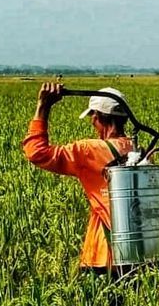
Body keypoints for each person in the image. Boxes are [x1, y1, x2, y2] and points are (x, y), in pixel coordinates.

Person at [22, 82, 133, 275]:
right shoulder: (137, 149)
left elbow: (36, 153)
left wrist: (43, 106)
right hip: (141, 252)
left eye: (93, 117)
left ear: (98, 117)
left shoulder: (88, 151)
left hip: (104, 256)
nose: (92, 123)